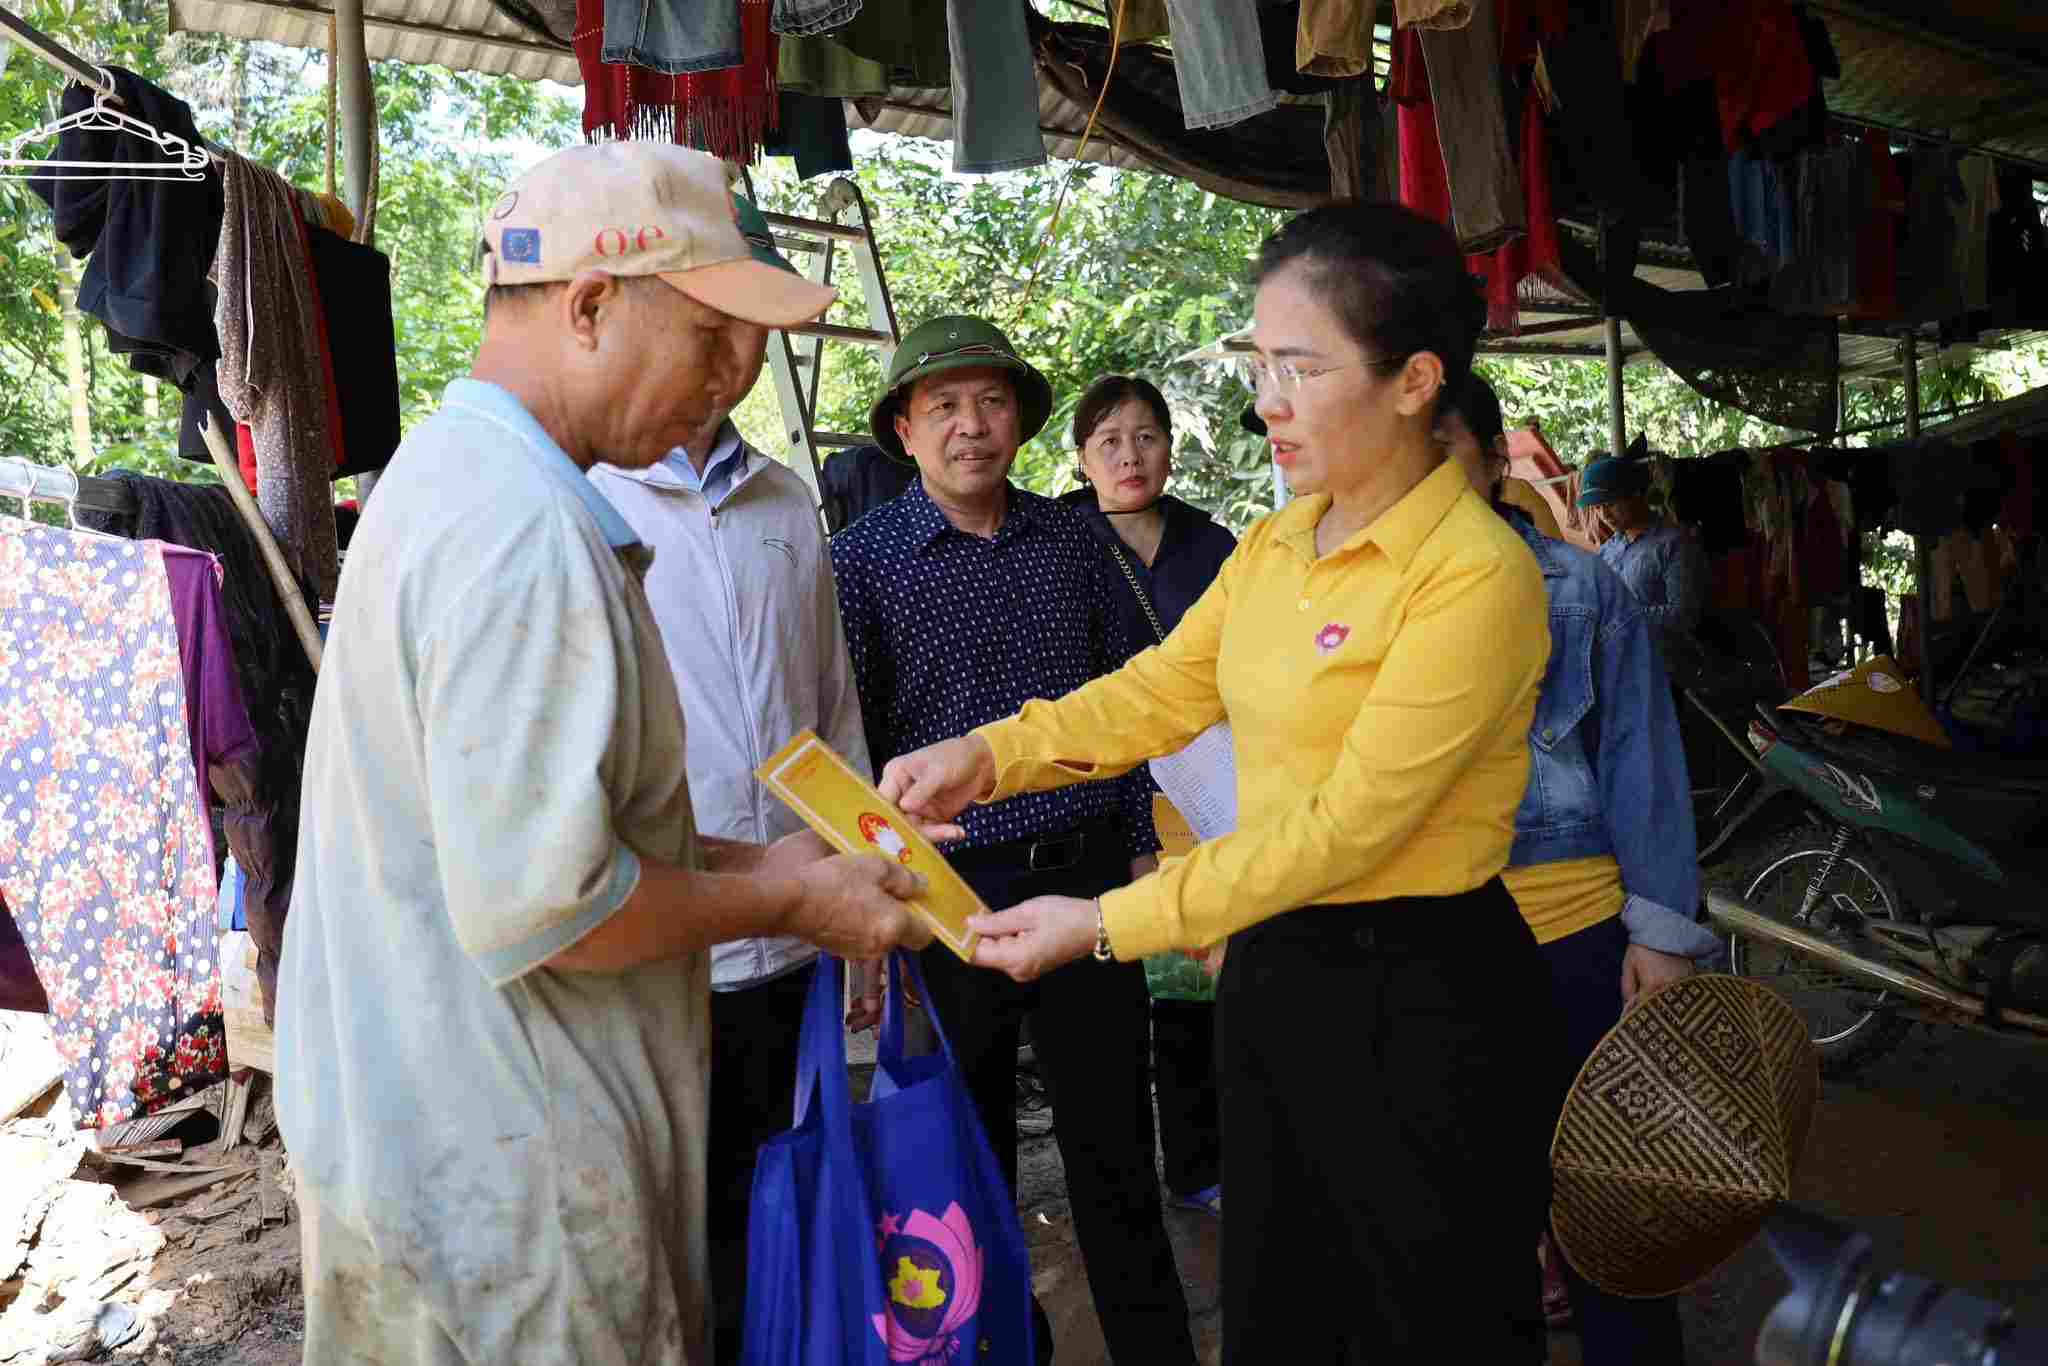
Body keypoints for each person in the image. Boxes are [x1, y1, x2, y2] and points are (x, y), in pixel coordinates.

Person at [274, 144, 943, 1366]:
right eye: (709, 345)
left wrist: (765, 857)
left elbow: (547, 830)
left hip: (429, 1133)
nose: (727, 385)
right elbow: (554, 909)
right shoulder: (525, 537)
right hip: (513, 1178)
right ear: (588, 306)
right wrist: (791, 896)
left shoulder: (449, 476)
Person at [877, 204, 1563, 1363]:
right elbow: (1155, 690)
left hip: (1420, 985)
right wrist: (988, 754)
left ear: (1413, 381)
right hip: (1275, 966)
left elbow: (1349, 830)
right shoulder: (1276, 545)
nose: (1266, 401)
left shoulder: (1475, 576)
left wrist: (1107, 923)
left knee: (1427, 1316)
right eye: (1259, 365)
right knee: (1282, 1299)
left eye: (1299, 367)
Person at [829, 316, 1198, 1366]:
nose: (968, 427)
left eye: (989, 402)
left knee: (1114, 1149)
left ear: (1021, 425)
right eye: (941, 406)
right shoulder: (859, 565)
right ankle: (1002, 1351)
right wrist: (878, 910)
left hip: (1084, 884)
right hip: (949, 896)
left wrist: (1138, 846)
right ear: (904, 430)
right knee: (969, 1156)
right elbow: (851, 744)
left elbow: (1134, 709)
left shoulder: (1076, 543)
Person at [584, 195, 869, 1366]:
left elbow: (831, 707)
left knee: (790, 1198)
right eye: (719, 332)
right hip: (661, 931)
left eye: (759, 344)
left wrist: (861, 886)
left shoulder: (785, 503)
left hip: (799, 931)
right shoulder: (585, 496)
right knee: (673, 1223)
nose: (737, 368)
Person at [1440, 376, 1724, 1365]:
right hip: (1431, 948)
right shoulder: (1357, 601)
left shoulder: (1579, 584)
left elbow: (1641, 760)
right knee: (1471, 1232)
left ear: (1488, 464)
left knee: (1612, 1212)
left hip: (1575, 940)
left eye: (1448, 453)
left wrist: (1659, 930)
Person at [1059, 374, 1236, 1219]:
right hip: (1124, 796)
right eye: (1110, 441)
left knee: (1240, 973)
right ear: (1082, 457)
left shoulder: (1217, 545)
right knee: (1172, 993)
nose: (1131, 456)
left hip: (1225, 796)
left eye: (1147, 436)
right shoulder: (1058, 542)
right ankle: (1193, 1162)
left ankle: (1262, 1144)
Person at [1578, 449, 1711, 653]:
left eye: (1610, 504)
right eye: (1597, 508)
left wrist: (1626, 615)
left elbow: (1686, 615)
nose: (1604, 514)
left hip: (1666, 669)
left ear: (1636, 495)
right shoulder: (1607, 551)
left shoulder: (1674, 544)